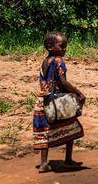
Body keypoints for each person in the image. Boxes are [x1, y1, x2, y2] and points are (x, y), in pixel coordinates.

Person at [33, 31, 86, 172]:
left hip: (42, 101)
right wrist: (78, 93)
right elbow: (63, 82)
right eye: (61, 46)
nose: (64, 49)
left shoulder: (45, 61)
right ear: (50, 47)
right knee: (71, 125)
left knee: (45, 132)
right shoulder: (58, 61)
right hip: (57, 101)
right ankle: (68, 159)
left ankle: (44, 163)